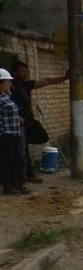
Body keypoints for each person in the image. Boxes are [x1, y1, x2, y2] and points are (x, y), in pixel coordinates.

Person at [10, 60, 69, 184]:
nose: (25, 73)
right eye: (22, 71)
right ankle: (26, 176)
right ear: (14, 72)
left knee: (41, 136)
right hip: (16, 122)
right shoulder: (9, 85)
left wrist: (63, 78)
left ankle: (26, 174)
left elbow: (46, 81)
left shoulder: (25, 84)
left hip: (28, 120)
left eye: (26, 71)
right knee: (22, 151)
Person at [0, 68, 27, 196]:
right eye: (8, 81)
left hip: (15, 133)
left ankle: (17, 184)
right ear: (2, 82)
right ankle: (8, 187)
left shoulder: (7, 96)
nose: (10, 84)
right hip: (6, 134)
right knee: (7, 161)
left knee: (16, 159)